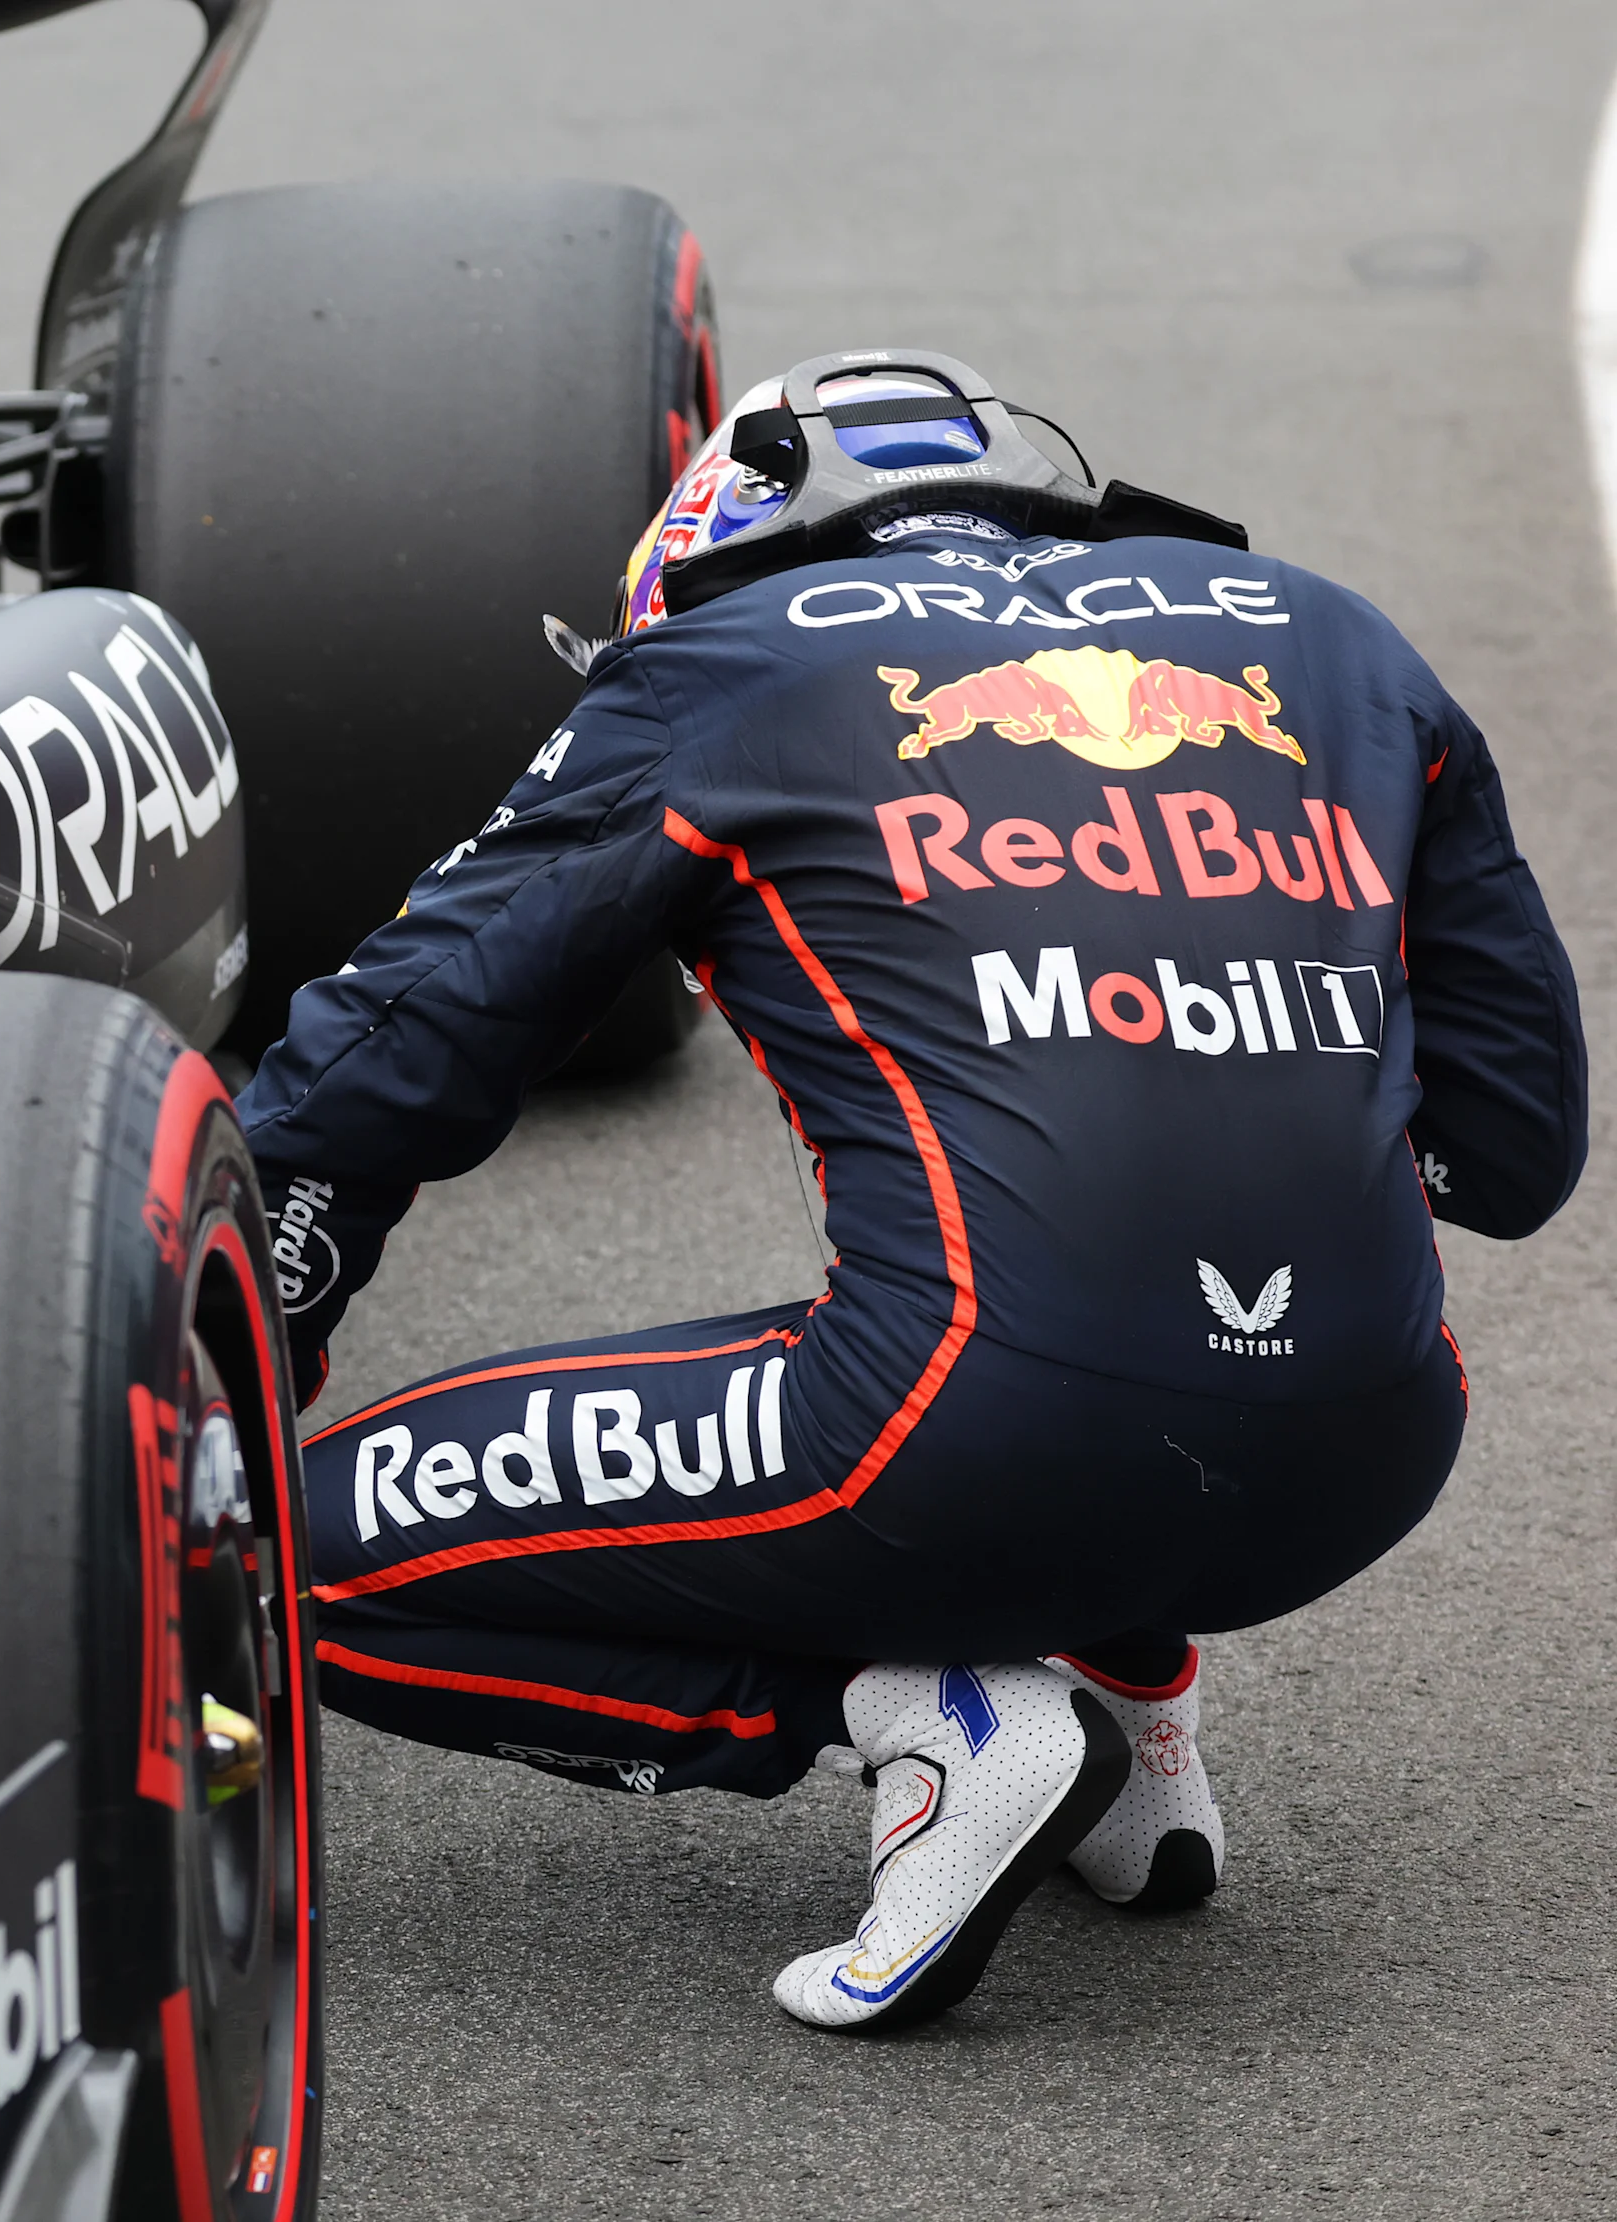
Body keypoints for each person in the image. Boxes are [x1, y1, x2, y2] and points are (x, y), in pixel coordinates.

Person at [234, 349, 1586, 2031]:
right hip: (1374, 1442)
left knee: (283, 1561)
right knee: (1086, 1327)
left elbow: (396, 1047)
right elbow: (1518, 1156)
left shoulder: (712, 663)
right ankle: (1130, 1705)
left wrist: (234, 1337)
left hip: (971, 1426)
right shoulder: (1339, 630)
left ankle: (930, 1712)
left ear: (722, 549)